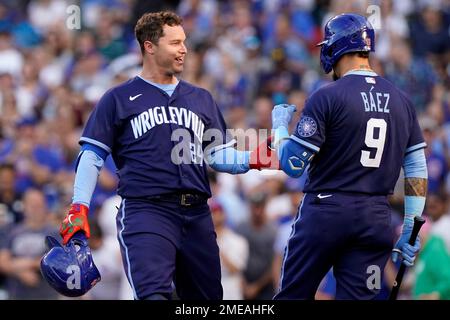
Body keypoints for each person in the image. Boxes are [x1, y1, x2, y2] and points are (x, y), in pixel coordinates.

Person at [56, 11, 276, 300]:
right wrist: (79, 206)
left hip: (198, 213)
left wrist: (255, 158)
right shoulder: (119, 97)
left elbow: (219, 156)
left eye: (183, 42)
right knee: (153, 296)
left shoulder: (201, 98)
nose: (183, 49)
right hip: (147, 211)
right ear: (149, 46)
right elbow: (92, 155)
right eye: (174, 43)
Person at [271, 13, 428, 299]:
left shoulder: (327, 95)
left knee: (292, 295)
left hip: (326, 211)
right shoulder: (403, 100)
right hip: (376, 218)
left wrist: (280, 127)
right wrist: (409, 225)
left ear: (337, 46)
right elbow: (417, 166)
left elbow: (292, 165)